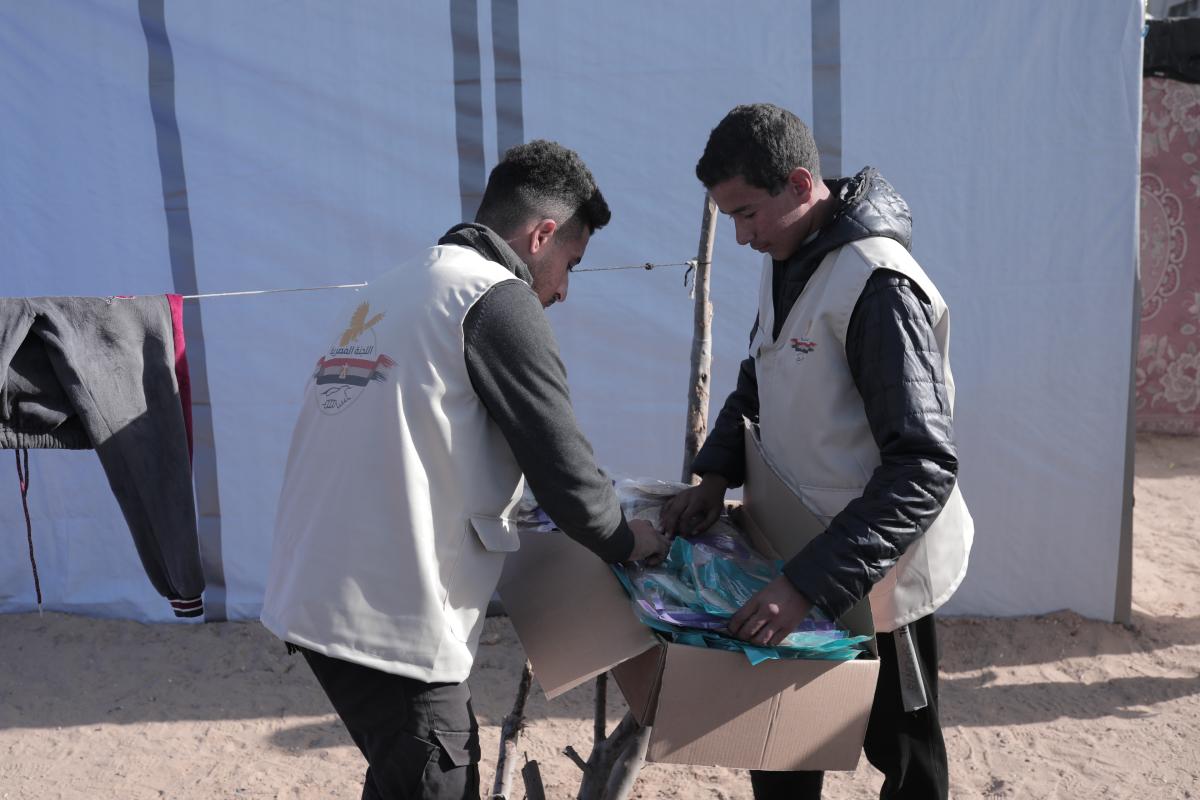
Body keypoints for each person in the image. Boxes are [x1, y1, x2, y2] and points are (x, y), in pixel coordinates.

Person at [261, 139, 670, 800]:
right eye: (571, 264)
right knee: (441, 772)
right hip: (387, 620)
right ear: (542, 235)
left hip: (314, 590)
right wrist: (628, 539)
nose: (564, 290)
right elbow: (565, 467)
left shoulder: (395, 284)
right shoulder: (497, 299)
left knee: (403, 770)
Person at [661, 103, 973, 799]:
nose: (741, 237)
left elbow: (923, 466)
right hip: (796, 555)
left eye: (746, 214)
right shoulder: (789, 253)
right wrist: (715, 473)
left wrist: (807, 585)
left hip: (880, 578)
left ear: (801, 185)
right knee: (781, 745)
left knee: (906, 761)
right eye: (729, 218)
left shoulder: (879, 286)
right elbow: (763, 370)